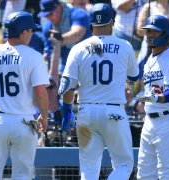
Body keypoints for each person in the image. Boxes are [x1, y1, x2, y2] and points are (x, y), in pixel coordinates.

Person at [58, 3, 139, 179]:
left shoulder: (78, 48)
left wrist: (66, 110)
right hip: (114, 111)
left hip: (86, 111)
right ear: (112, 22)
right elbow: (134, 77)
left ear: (91, 24)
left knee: (88, 169)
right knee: (124, 165)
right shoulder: (124, 45)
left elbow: (67, 87)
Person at [0, 11, 49, 179]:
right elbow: (41, 93)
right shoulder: (34, 56)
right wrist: (44, 116)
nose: (31, 34)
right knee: (22, 174)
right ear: (23, 32)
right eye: (30, 30)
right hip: (25, 120)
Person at [136, 15, 169, 179]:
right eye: (148, 31)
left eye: (154, 32)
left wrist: (151, 98)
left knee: (166, 173)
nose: (150, 35)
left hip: (168, 120)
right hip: (149, 121)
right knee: (144, 174)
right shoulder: (149, 58)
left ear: (164, 34)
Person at [38, 0, 91, 74]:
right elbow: (49, 53)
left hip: (87, 63)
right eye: (46, 15)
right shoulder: (48, 27)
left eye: (50, 14)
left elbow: (78, 33)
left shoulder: (78, 13)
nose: (48, 18)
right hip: (64, 67)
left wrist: (60, 39)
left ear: (59, 8)